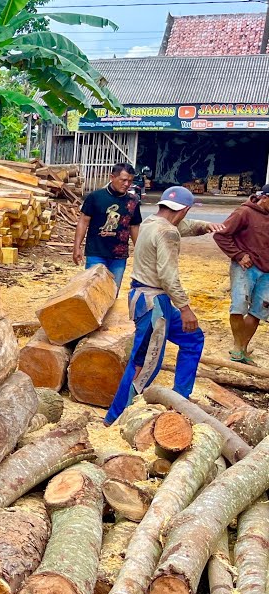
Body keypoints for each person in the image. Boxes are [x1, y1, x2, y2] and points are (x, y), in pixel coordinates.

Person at [104, 187, 224, 424]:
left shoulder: (151, 221)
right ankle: (114, 418)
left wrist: (206, 226)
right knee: (145, 364)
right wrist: (186, 308)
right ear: (184, 210)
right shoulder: (168, 233)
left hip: (145, 297)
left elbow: (183, 226)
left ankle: (180, 399)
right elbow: (168, 276)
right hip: (154, 303)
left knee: (193, 338)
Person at [213, 182, 269, 365]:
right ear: (265, 198)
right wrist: (238, 255)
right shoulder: (244, 212)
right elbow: (221, 235)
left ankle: (242, 349)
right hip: (246, 267)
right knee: (239, 306)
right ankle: (238, 347)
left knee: (259, 311)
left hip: (267, 270)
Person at [73, 163, 142, 292]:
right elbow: (83, 222)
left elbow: (134, 227)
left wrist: (140, 252)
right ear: (112, 177)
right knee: (93, 291)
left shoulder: (133, 201)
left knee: (112, 292)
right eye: (123, 180)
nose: (127, 184)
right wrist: (77, 247)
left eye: (130, 181)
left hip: (119, 255)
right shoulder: (95, 197)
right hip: (96, 252)